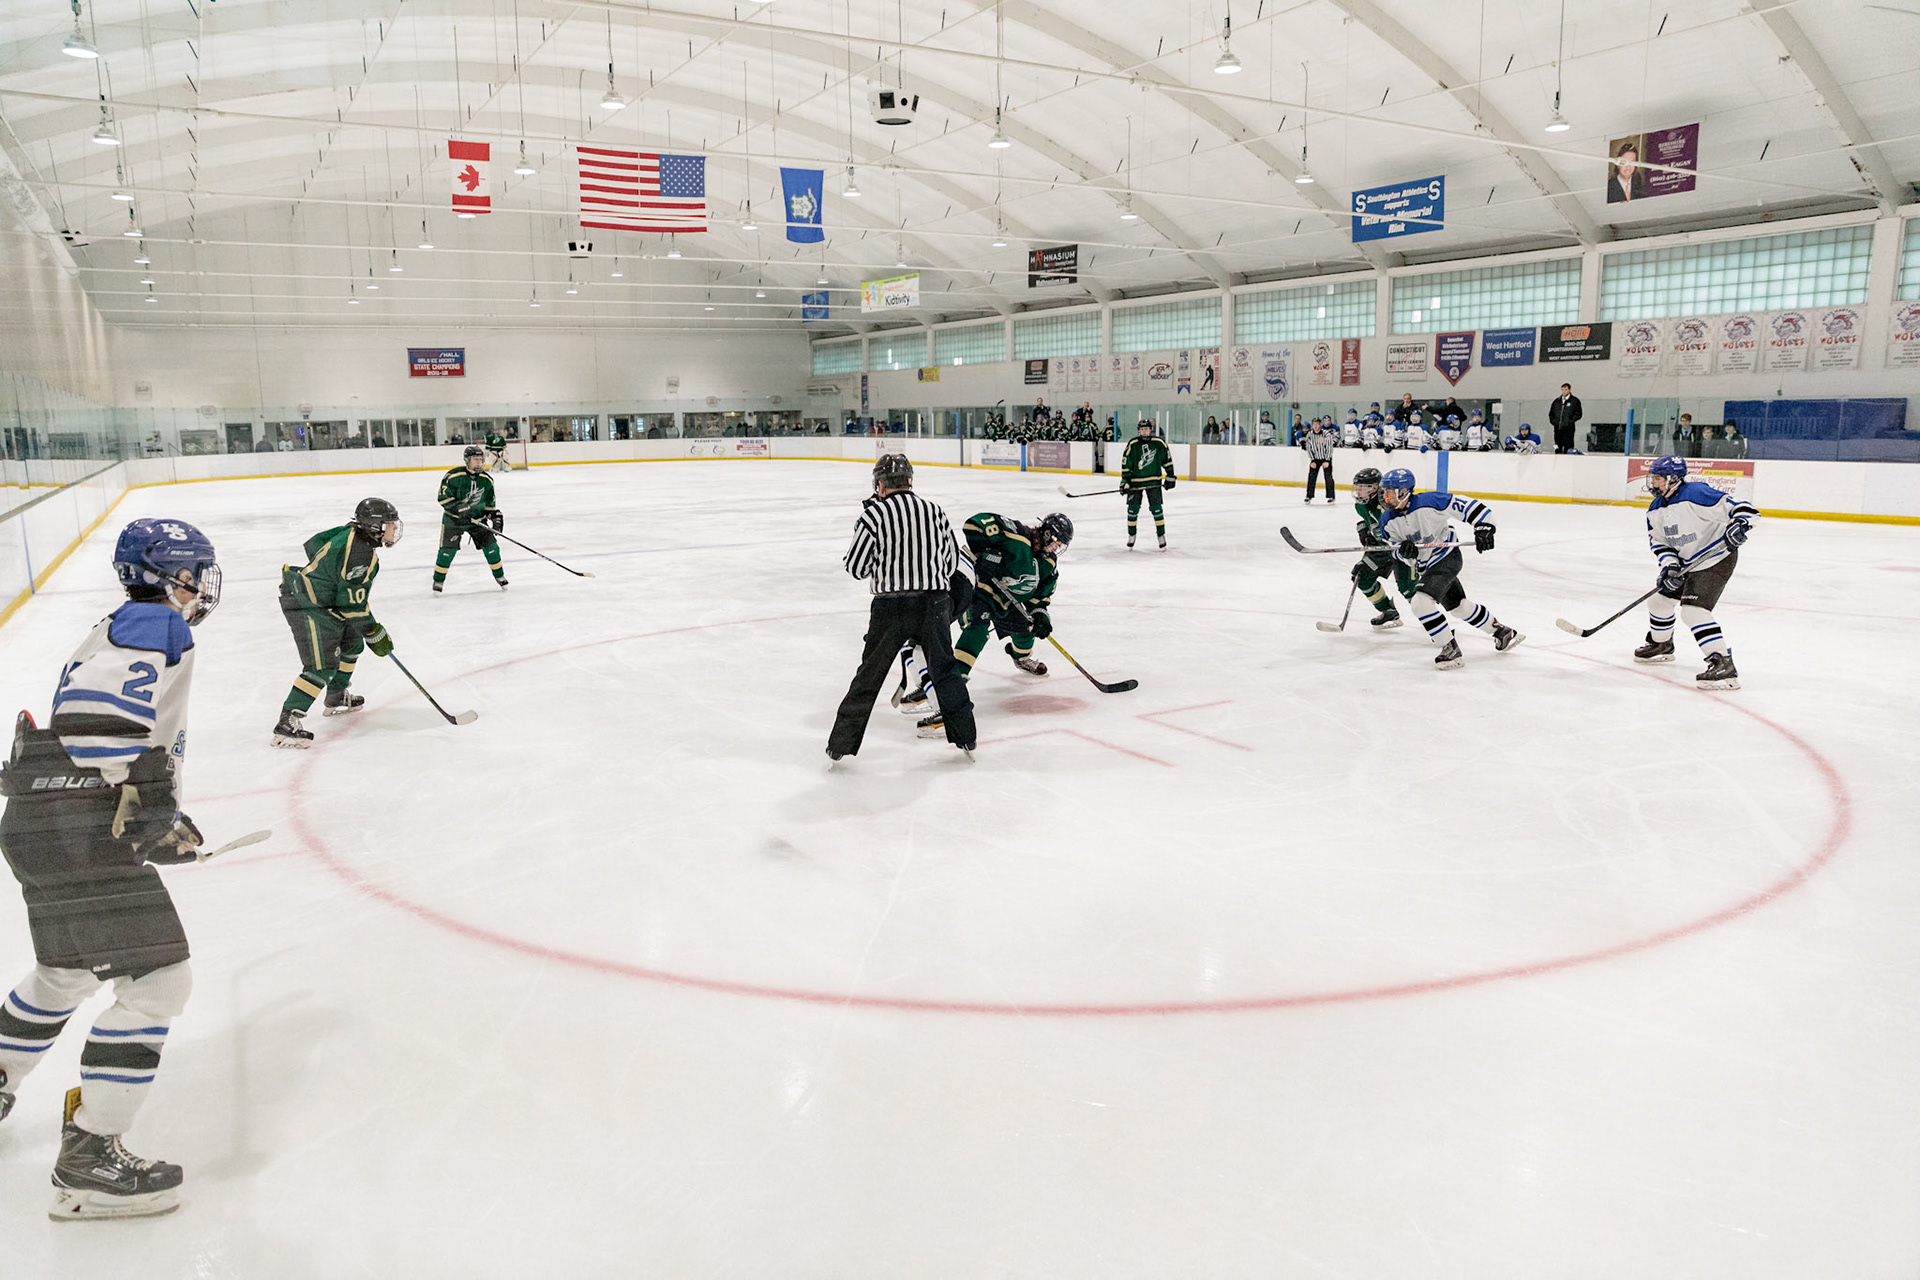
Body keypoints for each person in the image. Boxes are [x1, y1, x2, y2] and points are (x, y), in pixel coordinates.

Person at [0, 518, 221, 1220]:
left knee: (64, 974)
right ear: (166, 575)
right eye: (193, 574)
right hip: (78, 832)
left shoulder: (119, 623)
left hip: (41, 821)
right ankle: (91, 1161)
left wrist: (154, 810)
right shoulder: (158, 623)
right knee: (158, 982)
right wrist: (147, 803)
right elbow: (98, 729)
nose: (200, 588)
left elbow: (98, 743)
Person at [826, 455, 977, 761]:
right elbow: (951, 562)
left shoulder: (874, 515)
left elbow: (856, 567)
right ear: (910, 482)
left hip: (891, 608)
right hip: (934, 603)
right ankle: (966, 737)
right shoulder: (935, 511)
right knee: (945, 671)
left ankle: (839, 746)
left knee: (869, 676)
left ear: (880, 485)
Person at [916, 512, 1072, 741]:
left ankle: (1021, 658)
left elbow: (1040, 597)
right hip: (982, 592)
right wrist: (988, 554)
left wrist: (1041, 615)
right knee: (977, 631)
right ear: (1048, 534)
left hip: (1009, 601)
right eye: (1057, 543)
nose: (1056, 548)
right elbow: (974, 524)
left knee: (1028, 627)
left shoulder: (1048, 563)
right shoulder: (1016, 535)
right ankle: (949, 690)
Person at [273, 499, 401, 747]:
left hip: (328, 602)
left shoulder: (352, 531)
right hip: (307, 604)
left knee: (353, 644)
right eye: (390, 524)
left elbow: (315, 543)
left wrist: (328, 574)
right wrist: (373, 632)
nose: (394, 529)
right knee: (321, 665)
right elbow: (351, 604)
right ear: (374, 526)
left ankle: (336, 695)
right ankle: (287, 722)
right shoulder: (360, 554)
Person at [1376, 469, 1523, 669]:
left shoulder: (1429, 501)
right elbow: (1395, 551)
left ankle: (1449, 648)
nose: (1385, 496)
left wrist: (1484, 526)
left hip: (1447, 556)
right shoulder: (1387, 520)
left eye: (1390, 492)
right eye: (1384, 491)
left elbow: (1469, 506)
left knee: (1420, 602)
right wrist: (1405, 553)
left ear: (1404, 491)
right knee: (1458, 606)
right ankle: (1502, 632)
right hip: (1425, 566)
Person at [1633, 455, 1758, 689]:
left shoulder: (1696, 493)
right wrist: (1670, 566)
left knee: (1693, 612)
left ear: (1674, 479)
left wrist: (1741, 524)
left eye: (1658, 478)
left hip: (1715, 559)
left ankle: (1723, 665)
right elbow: (1660, 543)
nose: (1653, 483)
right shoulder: (1655, 509)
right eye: (1653, 478)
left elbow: (1745, 510)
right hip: (1685, 562)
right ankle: (1662, 645)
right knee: (1659, 602)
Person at [434, 445, 509, 593]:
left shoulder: (487, 480)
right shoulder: (453, 476)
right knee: (447, 551)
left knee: (492, 548)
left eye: (481, 459)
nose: (479, 462)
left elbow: (489, 505)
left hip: (477, 521)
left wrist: (495, 516)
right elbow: (442, 498)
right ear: (467, 460)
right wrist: (459, 508)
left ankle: (499, 576)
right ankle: (438, 579)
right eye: (475, 459)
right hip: (453, 520)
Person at [1347, 467, 1408, 630]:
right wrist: (1363, 529)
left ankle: (1435, 623)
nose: (1358, 491)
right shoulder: (1360, 505)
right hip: (1381, 550)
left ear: (1374, 488)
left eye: (1361, 488)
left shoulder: (1387, 505)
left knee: (1409, 589)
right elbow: (1368, 520)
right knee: (1362, 576)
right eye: (1357, 487)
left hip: (1399, 549)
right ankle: (1388, 611)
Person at [1120, 419, 1176, 549]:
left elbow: (1167, 459)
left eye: (1146, 429)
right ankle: (1131, 535)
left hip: (1153, 481)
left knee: (1157, 509)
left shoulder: (1159, 443)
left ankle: (1161, 536)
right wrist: (1125, 481)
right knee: (1132, 510)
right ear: (1138, 431)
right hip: (1136, 482)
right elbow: (1126, 463)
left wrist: (1170, 475)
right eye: (1142, 429)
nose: (1144, 431)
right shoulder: (1133, 444)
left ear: (1151, 430)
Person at [1303, 418, 1336, 503]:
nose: (1315, 426)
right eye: (1314, 424)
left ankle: (1331, 496)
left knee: (1328, 477)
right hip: (1315, 459)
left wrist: (1327, 460)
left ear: (1320, 425)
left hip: (1325, 458)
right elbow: (1309, 448)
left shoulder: (1326, 434)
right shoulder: (1309, 434)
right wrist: (1312, 460)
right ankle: (1309, 495)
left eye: (1317, 424)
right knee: (1311, 477)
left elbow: (1329, 447)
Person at [1548, 383, 1582, 454]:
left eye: (1565, 389)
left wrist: (1569, 422)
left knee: (1568, 448)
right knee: (1558, 447)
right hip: (1558, 429)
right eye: (1562, 390)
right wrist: (1554, 422)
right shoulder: (1557, 401)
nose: (1564, 391)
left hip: (1569, 429)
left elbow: (1578, 414)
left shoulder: (1575, 401)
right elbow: (1551, 413)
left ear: (1569, 390)